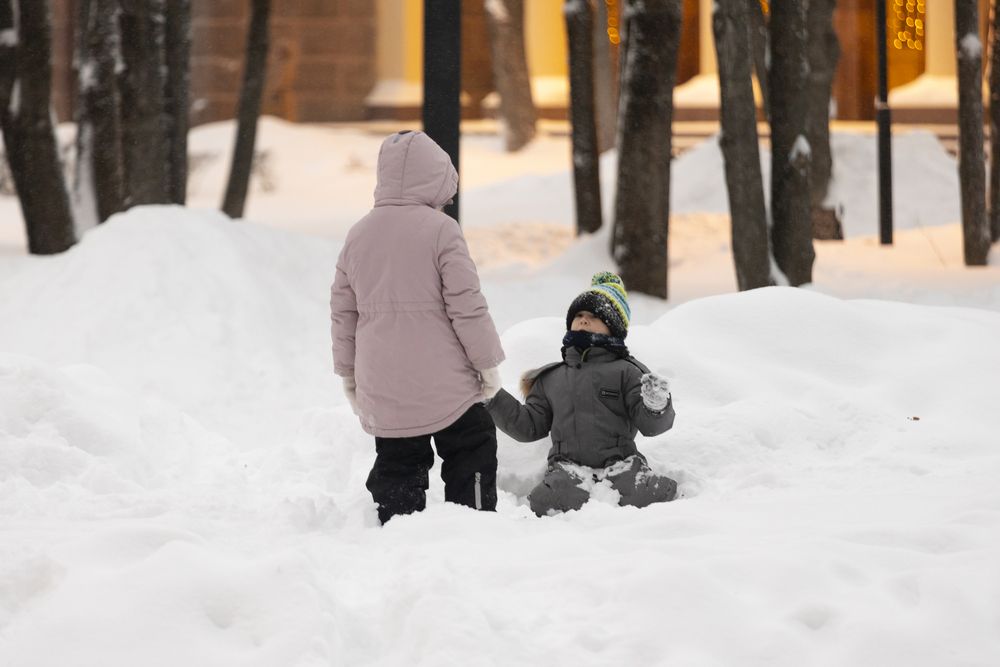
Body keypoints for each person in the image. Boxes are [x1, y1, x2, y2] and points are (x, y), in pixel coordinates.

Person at [330, 130, 505, 525]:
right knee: (472, 445)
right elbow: (467, 305)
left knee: (398, 460)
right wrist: (486, 363)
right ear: (436, 178)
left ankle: (398, 525)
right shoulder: (442, 230)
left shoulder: (358, 235)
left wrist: (348, 373)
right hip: (446, 381)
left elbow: (343, 312)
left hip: (383, 381)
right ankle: (475, 522)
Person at [485, 271, 677, 517]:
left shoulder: (628, 371)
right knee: (546, 501)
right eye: (579, 315)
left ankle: (667, 501)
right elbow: (528, 426)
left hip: (621, 465)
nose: (584, 320)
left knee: (646, 494)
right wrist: (493, 396)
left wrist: (656, 405)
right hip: (568, 468)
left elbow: (651, 426)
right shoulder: (552, 377)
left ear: (613, 327)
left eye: (594, 316)